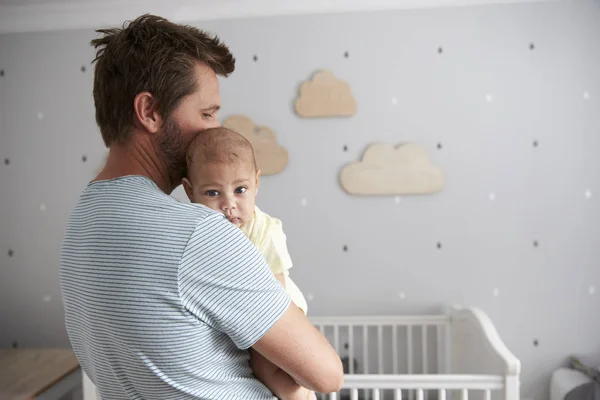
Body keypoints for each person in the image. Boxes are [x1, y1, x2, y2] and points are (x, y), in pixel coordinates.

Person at [59, 14, 343, 400]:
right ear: (151, 112)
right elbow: (326, 374)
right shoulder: (198, 233)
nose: (214, 130)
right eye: (207, 113)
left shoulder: (81, 226)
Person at [182, 127, 311, 399]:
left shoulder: (264, 230)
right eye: (212, 193)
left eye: (240, 190)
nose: (229, 204)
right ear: (189, 191)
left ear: (256, 183)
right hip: (243, 317)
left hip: (277, 314)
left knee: (267, 369)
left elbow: (276, 285)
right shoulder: (199, 234)